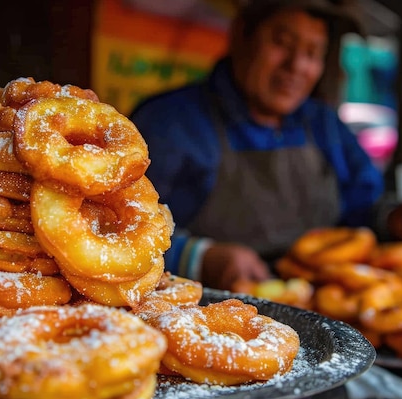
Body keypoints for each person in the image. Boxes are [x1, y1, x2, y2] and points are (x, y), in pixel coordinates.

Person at [130, 0, 385, 290]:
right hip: (210, 315)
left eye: (313, 53)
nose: (297, 66)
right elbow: (122, 226)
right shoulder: (171, 122)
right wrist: (199, 257)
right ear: (241, 35)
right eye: (282, 43)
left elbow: (367, 204)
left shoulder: (323, 124)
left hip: (319, 306)